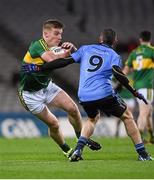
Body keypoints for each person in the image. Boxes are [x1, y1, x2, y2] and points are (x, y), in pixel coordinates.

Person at [22, 28, 154, 162]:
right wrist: (133, 91)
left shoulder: (86, 49)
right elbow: (117, 73)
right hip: (104, 93)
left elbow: (65, 61)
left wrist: (39, 67)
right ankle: (143, 154)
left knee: (92, 118)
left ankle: (78, 149)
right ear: (115, 41)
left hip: (84, 95)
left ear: (100, 39)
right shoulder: (114, 55)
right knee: (127, 117)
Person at [18, 19, 101, 159]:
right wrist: (69, 55)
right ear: (46, 34)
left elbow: (65, 57)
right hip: (30, 95)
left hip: (47, 86)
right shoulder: (37, 45)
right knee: (54, 124)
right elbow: (53, 61)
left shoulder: (55, 48)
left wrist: (72, 50)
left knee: (73, 109)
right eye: (56, 34)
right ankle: (66, 149)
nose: (60, 37)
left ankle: (80, 139)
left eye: (61, 34)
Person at [123, 31, 154, 144]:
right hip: (146, 86)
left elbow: (125, 71)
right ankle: (139, 138)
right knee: (144, 112)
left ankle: (152, 137)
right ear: (150, 39)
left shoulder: (134, 53)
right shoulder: (153, 50)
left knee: (149, 111)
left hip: (137, 87)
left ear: (140, 39)